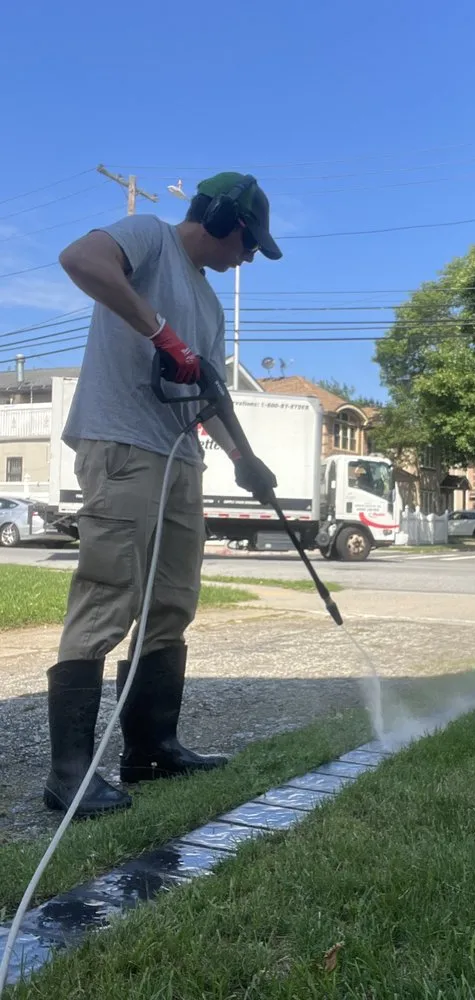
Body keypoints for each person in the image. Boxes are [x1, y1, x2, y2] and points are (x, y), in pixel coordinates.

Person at [45, 171, 281, 818]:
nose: (250, 258)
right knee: (109, 592)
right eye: (251, 244)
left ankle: (151, 748)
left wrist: (243, 458)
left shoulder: (209, 303)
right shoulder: (147, 237)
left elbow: (207, 389)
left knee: (172, 600)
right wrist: (159, 333)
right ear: (227, 222)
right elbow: (80, 259)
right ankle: (69, 774)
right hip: (121, 443)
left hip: (180, 455)